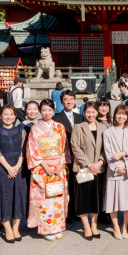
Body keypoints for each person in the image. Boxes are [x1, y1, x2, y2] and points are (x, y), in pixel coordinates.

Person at [27, 99, 71, 241]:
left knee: (57, 197)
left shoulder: (59, 126)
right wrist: (45, 166)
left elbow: (64, 147)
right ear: (40, 111)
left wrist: (60, 164)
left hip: (58, 167)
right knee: (44, 199)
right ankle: (46, 229)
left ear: (54, 111)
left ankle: (57, 227)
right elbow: (33, 149)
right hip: (42, 168)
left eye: (50, 110)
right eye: (44, 110)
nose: (47, 113)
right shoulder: (35, 128)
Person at [0, 104, 28, 243]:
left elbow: (23, 150)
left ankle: (16, 227)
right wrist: (8, 168)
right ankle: (7, 228)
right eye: (5, 114)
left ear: (15, 116)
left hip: (18, 167)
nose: (9, 117)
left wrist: (17, 167)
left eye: (11, 114)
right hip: (3, 169)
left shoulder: (21, 131)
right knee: (4, 198)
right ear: (0, 116)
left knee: (18, 197)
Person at [71, 101, 107, 240]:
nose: (91, 115)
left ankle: (94, 225)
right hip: (83, 168)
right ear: (84, 113)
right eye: (88, 112)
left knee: (96, 198)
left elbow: (107, 148)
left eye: (93, 112)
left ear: (97, 112)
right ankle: (86, 226)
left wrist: (100, 162)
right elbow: (75, 146)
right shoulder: (78, 127)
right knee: (83, 198)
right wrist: (89, 164)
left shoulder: (104, 127)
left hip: (98, 168)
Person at [103, 104, 128, 240]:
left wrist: (124, 153)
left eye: (124, 114)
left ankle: (125, 226)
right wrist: (117, 167)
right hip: (114, 170)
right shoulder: (108, 132)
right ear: (114, 115)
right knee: (112, 199)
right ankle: (116, 226)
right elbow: (108, 152)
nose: (121, 116)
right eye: (119, 113)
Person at [54, 90, 84, 223]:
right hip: (64, 157)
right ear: (61, 102)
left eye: (71, 99)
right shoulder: (56, 118)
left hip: (78, 157)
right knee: (65, 186)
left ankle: (74, 211)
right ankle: (65, 213)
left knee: (75, 186)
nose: (69, 102)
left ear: (75, 100)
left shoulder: (80, 117)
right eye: (66, 100)